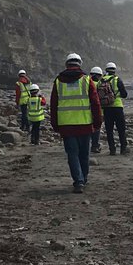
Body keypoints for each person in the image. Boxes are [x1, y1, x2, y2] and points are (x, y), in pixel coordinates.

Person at [49, 53, 102, 193]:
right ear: (79, 64)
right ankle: (83, 178)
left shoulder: (58, 81)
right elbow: (96, 103)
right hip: (85, 124)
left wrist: (54, 124)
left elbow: (53, 105)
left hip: (66, 126)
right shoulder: (86, 80)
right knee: (84, 154)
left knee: (72, 154)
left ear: (67, 64)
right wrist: (97, 122)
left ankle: (78, 182)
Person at [100, 61, 129, 155]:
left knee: (109, 130)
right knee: (121, 129)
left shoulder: (101, 80)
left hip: (106, 108)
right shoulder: (117, 79)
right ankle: (123, 149)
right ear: (114, 70)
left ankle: (112, 150)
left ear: (106, 70)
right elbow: (124, 94)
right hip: (117, 107)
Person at [88, 66, 105, 153]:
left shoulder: (86, 83)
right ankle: (95, 146)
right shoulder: (99, 84)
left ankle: (87, 145)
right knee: (97, 127)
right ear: (99, 75)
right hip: (97, 109)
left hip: (86, 109)